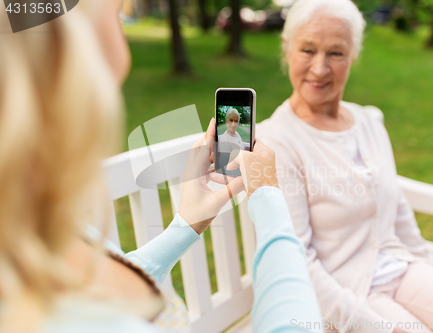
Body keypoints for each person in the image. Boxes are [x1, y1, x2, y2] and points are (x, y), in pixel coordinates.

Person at [0, 1, 324, 333]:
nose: (123, 59)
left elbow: (106, 293)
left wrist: (184, 226)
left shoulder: (30, 233)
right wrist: (269, 198)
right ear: (63, 52)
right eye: (116, 18)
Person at [257, 1, 433, 333]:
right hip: (343, 299)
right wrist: (382, 328)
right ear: (287, 49)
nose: (319, 68)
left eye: (336, 53)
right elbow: (296, 263)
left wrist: (423, 271)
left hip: (399, 269)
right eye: (308, 50)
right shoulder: (276, 143)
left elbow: (398, 210)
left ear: (353, 55)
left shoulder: (367, 122)